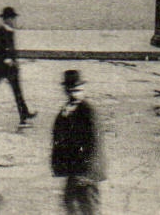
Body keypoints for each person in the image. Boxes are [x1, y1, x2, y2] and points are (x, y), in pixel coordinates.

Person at [50, 69, 105, 215]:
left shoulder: (87, 111)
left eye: (78, 90)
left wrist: (87, 171)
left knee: (89, 209)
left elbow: (95, 142)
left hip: (86, 172)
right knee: (71, 205)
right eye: (71, 90)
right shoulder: (69, 110)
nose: (74, 94)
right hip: (76, 170)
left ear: (83, 89)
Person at [0, 7, 34, 126]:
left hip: (11, 68)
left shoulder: (10, 32)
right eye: (12, 18)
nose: (14, 20)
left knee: (17, 91)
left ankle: (24, 114)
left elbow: (12, 50)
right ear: (6, 19)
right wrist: (6, 59)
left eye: (14, 18)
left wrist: (14, 61)